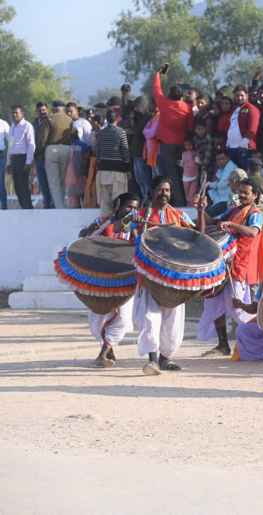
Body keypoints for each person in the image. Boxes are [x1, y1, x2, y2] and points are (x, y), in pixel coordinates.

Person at [196, 178, 263, 356]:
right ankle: (223, 345)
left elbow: (253, 231)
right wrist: (201, 209)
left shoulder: (256, 213)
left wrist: (231, 225)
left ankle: (258, 344)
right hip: (224, 265)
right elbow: (213, 222)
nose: (242, 195)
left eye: (246, 192)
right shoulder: (235, 210)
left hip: (241, 266)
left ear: (255, 195)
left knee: (239, 308)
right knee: (213, 301)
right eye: (240, 192)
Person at [132, 176, 197, 375]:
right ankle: (152, 359)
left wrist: (201, 211)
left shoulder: (179, 215)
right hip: (150, 276)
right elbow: (127, 239)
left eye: (167, 190)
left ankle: (165, 359)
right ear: (152, 192)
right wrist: (136, 227)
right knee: (151, 318)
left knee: (174, 319)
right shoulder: (140, 215)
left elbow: (197, 236)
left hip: (175, 276)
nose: (164, 194)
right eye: (160, 189)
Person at [79, 193, 140, 367]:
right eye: (129, 206)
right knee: (99, 316)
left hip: (125, 278)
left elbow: (139, 247)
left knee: (124, 317)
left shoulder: (135, 227)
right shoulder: (104, 221)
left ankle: (104, 352)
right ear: (118, 206)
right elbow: (84, 235)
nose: (132, 211)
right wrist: (111, 222)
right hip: (100, 276)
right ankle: (108, 348)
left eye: (135, 208)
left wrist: (134, 228)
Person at [152, 65, 194, 206]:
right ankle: (184, 200)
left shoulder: (164, 103)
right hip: (182, 145)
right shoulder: (187, 108)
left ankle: (178, 202)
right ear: (181, 96)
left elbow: (157, 90)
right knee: (184, 173)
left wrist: (158, 74)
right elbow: (190, 126)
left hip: (167, 145)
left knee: (171, 175)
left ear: (169, 94)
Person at [94, 110, 131, 215]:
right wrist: (128, 168)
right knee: (119, 203)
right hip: (118, 173)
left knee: (105, 205)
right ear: (117, 119)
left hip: (102, 173)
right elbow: (125, 151)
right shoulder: (121, 132)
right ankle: (116, 228)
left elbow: (98, 152)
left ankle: (106, 228)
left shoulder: (100, 133)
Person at [44, 101, 73, 208]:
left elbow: (44, 138)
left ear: (54, 108)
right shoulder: (69, 120)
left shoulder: (50, 118)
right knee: (63, 180)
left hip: (51, 149)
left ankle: (60, 207)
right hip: (66, 148)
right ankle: (64, 205)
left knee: (54, 181)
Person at [6, 106, 35, 209]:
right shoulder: (13, 126)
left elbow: (31, 145)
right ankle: (24, 207)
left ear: (22, 113)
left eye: (16, 113)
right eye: (13, 113)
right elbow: (10, 145)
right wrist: (8, 162)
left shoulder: (27, 126)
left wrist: (28, 162)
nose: (14, 115)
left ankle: (29, 208)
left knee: (24, 186)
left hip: (23, 158)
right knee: (17, 186)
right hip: (14, 159)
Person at [226, 85, 260, 169]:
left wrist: (244, 142)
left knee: (245, 174)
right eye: (237, 95)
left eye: (242, 95)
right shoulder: (235, 110)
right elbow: (232, 127)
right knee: (235, 174)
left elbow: (253, 129)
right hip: (232, 147)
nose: (239, 98)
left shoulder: (251, 108)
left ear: (247, 96)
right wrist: (228, 141)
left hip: (244, 148)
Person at [32, 102, 54, 208]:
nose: (42, 112)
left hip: (48, 157)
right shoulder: (35, 123)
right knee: (43, 184)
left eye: (44, 110)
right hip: (38, 158)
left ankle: (52, 207)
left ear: (47, 110)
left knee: (51, 184)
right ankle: (47, 205)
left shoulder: (51, 122)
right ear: (36, 111)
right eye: (40, 110)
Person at [0, 112, 8, 209]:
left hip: (0, 156)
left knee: (1, 182)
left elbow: (11, 140)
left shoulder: (3, 123)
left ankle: (4, 206)